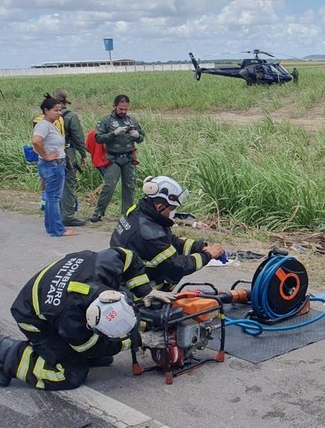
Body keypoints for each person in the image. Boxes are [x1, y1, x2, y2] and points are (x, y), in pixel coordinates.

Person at [0, 248, 173, 390]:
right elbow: (90, 347)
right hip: (32, 317)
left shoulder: (105, 266)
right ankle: (7, 354)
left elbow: (128, 256)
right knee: (72, 374)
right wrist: (138, 340)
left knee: (103, 357)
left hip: (58, 292)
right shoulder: (69, 319)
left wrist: (145, 291)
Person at [110, 175, 225, 291]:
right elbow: (177, 267)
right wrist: (208, 255)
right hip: (138, 292)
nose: (173, 212)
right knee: (173, 273)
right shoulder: (150, 233)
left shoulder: (140, 212)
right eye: (172, 208)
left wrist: (199, 247)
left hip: (121, 275)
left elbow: (170, 242)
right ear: (160, 207)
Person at [90, 95, 144, 223]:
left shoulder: (132, 120)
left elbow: (141, 137)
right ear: (114, 107)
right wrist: (113, 134)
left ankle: (126, 214)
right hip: (113, 158)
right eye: (121, 109)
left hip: (128, 157)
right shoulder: (106, 120)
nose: (123, 112)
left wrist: (136, 135)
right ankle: (98, 212)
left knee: (129, 186)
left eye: (126, 109)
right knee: (109, 186)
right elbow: (98, 138)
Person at [32, 94, 77, 237]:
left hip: (53, 164)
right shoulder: (44, 125)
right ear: (46, 110)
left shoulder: (50, 125)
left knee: (52, 197)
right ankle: (58, 229)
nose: (59, 113)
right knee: (54, 198)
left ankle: (52, 228)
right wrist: (46, 155)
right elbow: (36, 141)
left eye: (60, 110)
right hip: (52, 165)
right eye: (56, 110)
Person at [53, 89, 87, 227]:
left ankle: (56, 213)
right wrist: (83, 154)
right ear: (65, 101)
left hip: (51, 153)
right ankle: (67, 215)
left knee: (56, 183)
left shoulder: (47, 115)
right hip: (67, 153)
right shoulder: (70, 116)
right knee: (68, 183)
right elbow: (78, 138)